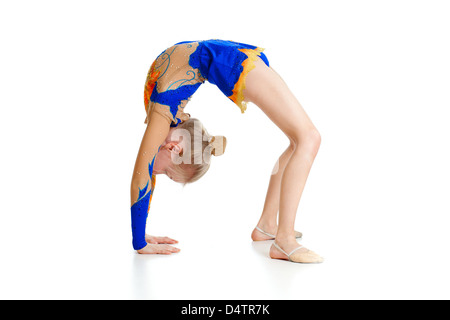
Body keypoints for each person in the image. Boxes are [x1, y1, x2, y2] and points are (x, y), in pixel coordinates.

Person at [130, 39, 323, 263]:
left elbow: (141, 175)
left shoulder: (162, 114)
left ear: (174, 147)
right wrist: (141, 233)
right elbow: (147, 174)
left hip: (232, 62)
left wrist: (139, 242)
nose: (157, 174)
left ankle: (284, 239)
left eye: (167, 174)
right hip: (230, 57)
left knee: (308, 138)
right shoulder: (166, 115)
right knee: (300, 140)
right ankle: (267, 225)